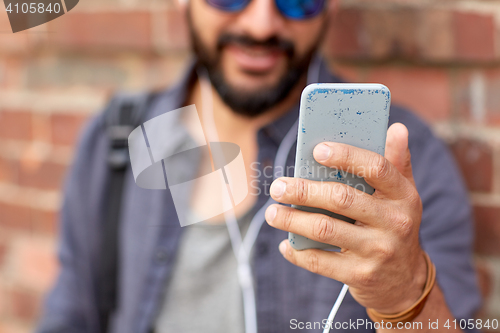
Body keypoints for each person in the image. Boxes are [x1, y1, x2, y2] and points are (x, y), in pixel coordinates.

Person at [37, 0, 482, 332]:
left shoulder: (402, 161)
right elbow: (70, 317)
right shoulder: (119, 139)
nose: (261, 24)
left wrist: (404, 297)